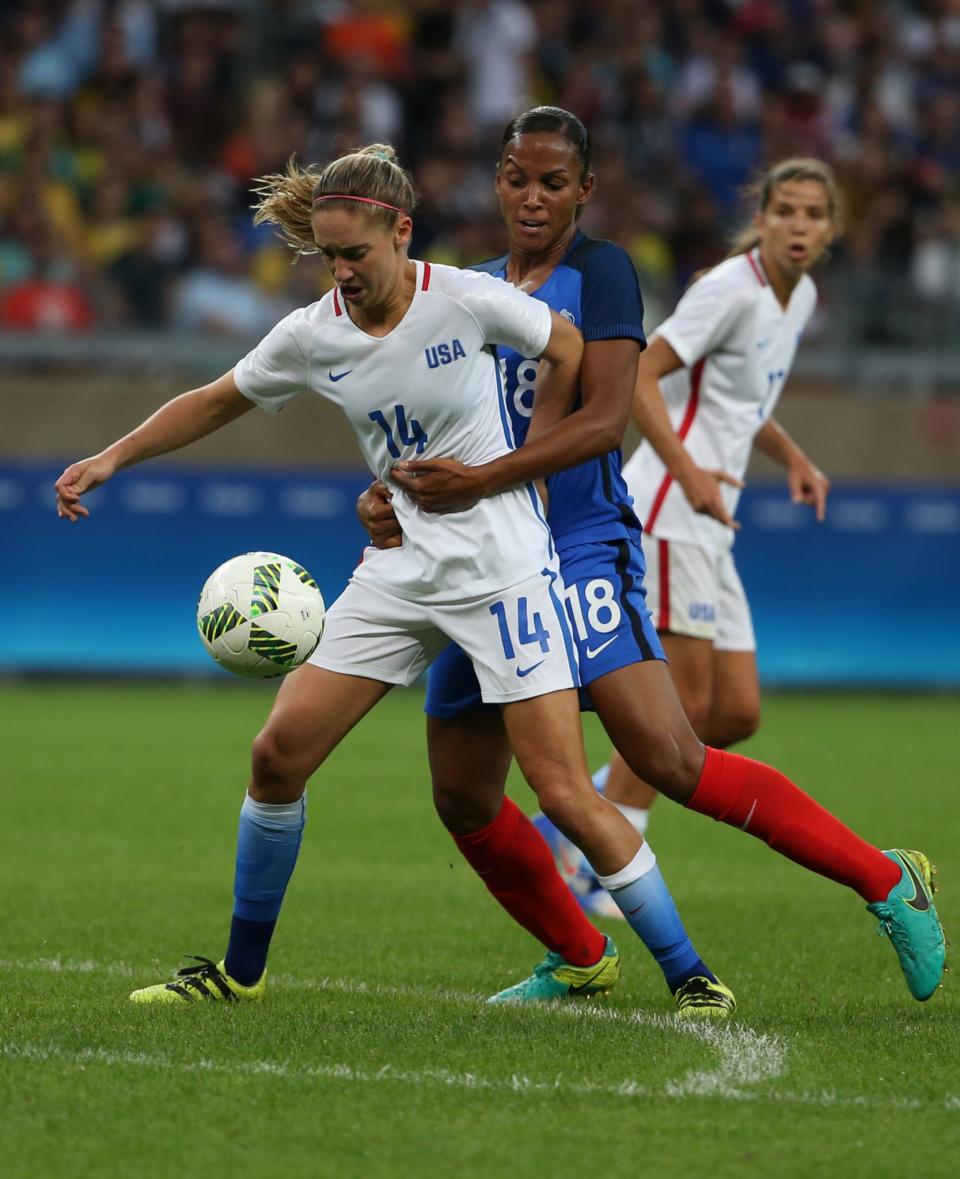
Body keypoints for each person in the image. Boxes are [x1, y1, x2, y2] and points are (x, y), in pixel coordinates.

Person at [53, 142, 689, 1006]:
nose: (342, 272)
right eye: (327, 256)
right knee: (277, 755)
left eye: (356, 253)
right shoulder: (315, 333)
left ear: (401, 231)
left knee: (564, 790)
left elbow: (570, 348)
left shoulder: (463, 298)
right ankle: (241, 974)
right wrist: (110, 457)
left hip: (503, 566)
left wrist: (527, 459)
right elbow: (216, 397)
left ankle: (690, 974)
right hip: (399, 565)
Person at [364, 124, 946, 1005]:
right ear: (497, 183)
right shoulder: (469, 288)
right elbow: (433, 421)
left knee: (676, 752)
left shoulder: (601, 273)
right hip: (481, 559)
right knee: (464, 793)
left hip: (580, 544)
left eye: (552, 182)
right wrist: (391, 493)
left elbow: (604, 421)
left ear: (583, 190)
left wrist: (484, 480)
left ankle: (884, 879)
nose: (532, 197)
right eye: (518, 179)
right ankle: (577, 953)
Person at [538, 159, 836, 909]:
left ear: (830, 229)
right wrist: (690, 472)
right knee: (686, 702)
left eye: (813, 214)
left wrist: (792, 453)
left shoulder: (797, 300)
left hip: (710, 515)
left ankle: (571, 819)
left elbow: (735, 400)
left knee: (734, 712)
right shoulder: (727, 290)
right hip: (672, 504)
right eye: (787, 210)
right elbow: (642, 374)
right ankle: (605, 857)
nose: (799, 226)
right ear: (760, 214)